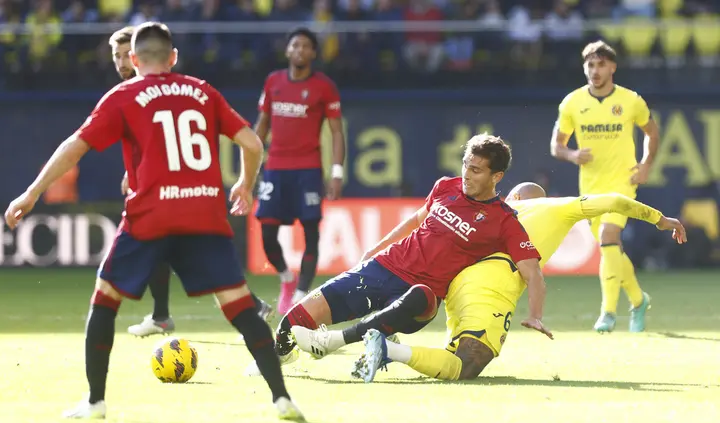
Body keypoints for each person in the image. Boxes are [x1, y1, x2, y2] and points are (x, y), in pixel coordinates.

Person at [4, 22, 303, 421]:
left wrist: (32, 192)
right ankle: (282, 399)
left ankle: (95, 402)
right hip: (205, 217)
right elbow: (252, 142)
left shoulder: (125, 95)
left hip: (150, 216)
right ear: (173, 57)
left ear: (133, 59)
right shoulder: (203, 91)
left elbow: (76, 146)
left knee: (105, 299)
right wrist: (246, 186)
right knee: (241, 308)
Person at [246, 134, 547, 375]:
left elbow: (532, 272)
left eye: (476, 170)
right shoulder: (446, 186)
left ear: (497, 176)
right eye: (466, 165)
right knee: (293, 320)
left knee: (421, 294)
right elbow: (416, 219)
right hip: (383, 268)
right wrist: (376, 248)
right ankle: (278, 359)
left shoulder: (504, 220)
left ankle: (335, 341)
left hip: (421, 297)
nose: (466, 174)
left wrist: (535, 315)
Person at [353, 182, 687, 382]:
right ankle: (386, 348)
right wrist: (660, 219)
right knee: (466, 366)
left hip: (457, 284)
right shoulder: (555, 205)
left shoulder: (494, 208)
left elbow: (425, 227)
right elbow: (614, 201)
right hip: (494, 285)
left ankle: (386, 335)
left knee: (455, 351)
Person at [104, 27, 272, 338]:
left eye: (124, 54)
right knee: (169, 252)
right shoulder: (133, 91)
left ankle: (240, 307)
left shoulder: (163, 90)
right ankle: (163, 315)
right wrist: (135, 171)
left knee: (176, 251)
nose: (121, 63)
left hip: (179, 190)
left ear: (138, 56)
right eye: (115, 56)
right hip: (156, 189)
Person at [550, 40, 661, 333]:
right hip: (590, 186)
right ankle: (638, 300)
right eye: (590, 65)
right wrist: (573, 154)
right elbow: (557, 146)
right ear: (584, 68)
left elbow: (651, 131)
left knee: (609, 237)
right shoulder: (572, 103)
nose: (595, 70)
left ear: (612, 67)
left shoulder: (630, 100)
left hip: (623, 183)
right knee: (610, 248)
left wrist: (646, 163)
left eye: (601, 64)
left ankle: (607, 313)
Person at [254, 27, 346, 315]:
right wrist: (252, 163)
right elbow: (262, 124)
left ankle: (302, 293)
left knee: (310, 233)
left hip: (307, 170)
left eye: (306, 46)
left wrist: (336, 173)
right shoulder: (273, 82)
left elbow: (336, 131)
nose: (301, 50)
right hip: (275, 169)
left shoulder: (324, 86)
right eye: (296, 45)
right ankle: (286, 279)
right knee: (267, 233)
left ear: (313, 53)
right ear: (288, 50)